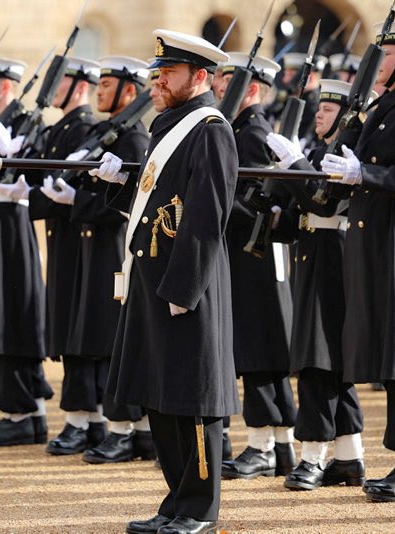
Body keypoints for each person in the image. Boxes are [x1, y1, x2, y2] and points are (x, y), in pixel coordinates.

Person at [93, 30, 239, 533]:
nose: (157, 82)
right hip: (153, 282)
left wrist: (182, 291)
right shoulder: (168, 126)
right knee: (161, 395)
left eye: (168, 74)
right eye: (157, 74)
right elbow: (158, 199)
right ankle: (176, 501)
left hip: (184, 289)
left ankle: (200, 510)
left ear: (199, 77)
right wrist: (123, 185)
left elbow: (207, 217)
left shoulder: (211, 129)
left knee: (193, 401)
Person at [320, 20, 395, 503]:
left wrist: (366, 172)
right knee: (394, 356)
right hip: (380, 244)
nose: (375, 63)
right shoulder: (383, 107)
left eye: (386, 55)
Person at [45, 56, 155, 464]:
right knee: (89, 334)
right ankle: (99, 423)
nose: (99, 92)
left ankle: (125, 430)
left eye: (107, 85)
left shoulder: (135, 139)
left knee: (112, 341)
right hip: (94, 247)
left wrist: (81, 200)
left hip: (116, 248)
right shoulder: (109, 133)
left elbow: (133, 203)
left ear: (130, 91)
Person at [266, 79, 366, 491]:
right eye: (318, 109)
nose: (318, 115)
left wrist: (294, 169)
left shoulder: (344, 153)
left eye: (327, 111)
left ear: (344, 115)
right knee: (326, 362)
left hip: (333, 261)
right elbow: (296, 217)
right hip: (312, 258)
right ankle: (349, 458)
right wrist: (270, 206)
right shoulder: (315, 152)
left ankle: (311, 457)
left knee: (319, 362)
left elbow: (322, 200)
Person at [0, 57, 102, 454]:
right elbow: (42, 182)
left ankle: (85, 420)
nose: (52, 89)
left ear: (79, 87)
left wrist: (52, 195)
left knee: (83, 329)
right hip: (64, 236)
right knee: (68, 328)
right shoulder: (61, 130)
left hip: (85, 239)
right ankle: (84, 419)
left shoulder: (88, 130)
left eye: (60, 82)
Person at [216, 52, 297, 481]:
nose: (216, 88)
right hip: (252, 251)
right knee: (262, 348)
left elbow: (259, 204)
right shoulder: (241, 129)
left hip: (254, 253)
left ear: (249, 89)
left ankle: (262, 445)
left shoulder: (251, 133)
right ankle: (280, 445)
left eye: (225, 82)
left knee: (256, 348)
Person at [0, 56, 52, 446]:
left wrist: (13, 157)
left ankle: (22, 413)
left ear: (5, 87)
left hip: (13, 224)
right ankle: (26, 414)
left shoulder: (28, 122)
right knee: (1, 314)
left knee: (14, 315)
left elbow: (34, 178)